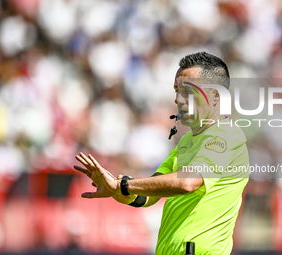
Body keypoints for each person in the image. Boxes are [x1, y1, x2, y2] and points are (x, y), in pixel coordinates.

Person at [74, 52, 249, 255]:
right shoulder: (186, 142)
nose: (178, 99)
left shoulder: (227, 135)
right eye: (176, 91)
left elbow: (187, 183)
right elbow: (146, 197)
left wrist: (123, 184)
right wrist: (116, 190)